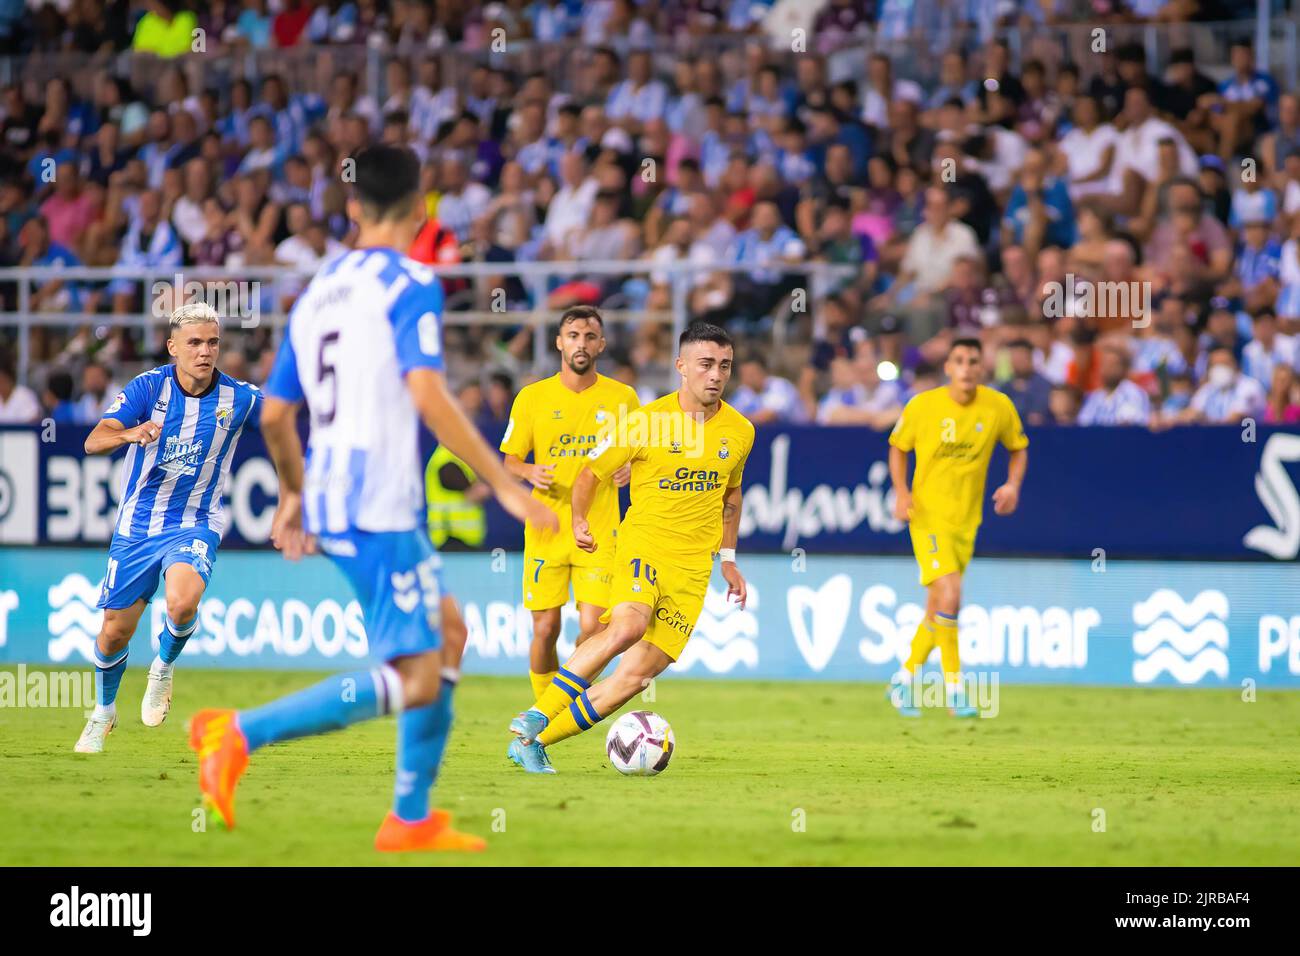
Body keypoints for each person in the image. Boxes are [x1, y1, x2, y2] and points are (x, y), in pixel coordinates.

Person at [186, 145, 557, 852]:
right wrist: (508, 488)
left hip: (335, 493)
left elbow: (273, 415)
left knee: (448, 634)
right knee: (416, 678)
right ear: (422, 210)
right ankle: (236, 735)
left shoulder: (317, 289)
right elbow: (427, 392)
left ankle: (409, 818)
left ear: (353, 208)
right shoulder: (413, 281)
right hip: (377, 503)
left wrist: (296, 492)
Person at [506, 322, 754, 773]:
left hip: (693, 569)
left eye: (724, 366)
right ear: (681, 366)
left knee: (637, 677)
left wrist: (730, 560)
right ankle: (538, 710)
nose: (715, 375)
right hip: (643, 547)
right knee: (625, 629)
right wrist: (580, 518)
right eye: (705, 364)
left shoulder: (741, 431)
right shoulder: (643, 422)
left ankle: (535, 741)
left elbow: (730, 496)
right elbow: (590, 474)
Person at [75, 303, 263, 753]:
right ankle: (103, 712)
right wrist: (129, 433)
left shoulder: (240, 398)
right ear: (172, 346)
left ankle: (161, 667)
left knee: (182, 603)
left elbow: (285, 417)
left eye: (213, 342)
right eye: (195, 343)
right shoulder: (147, 388)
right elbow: (92, 440)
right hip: (138, 527)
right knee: (114, 632)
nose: (205, 351)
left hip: (195, 522)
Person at [499, 305, 639, 700]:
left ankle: (560, 703)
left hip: (599, 528)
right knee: (545, 628)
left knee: (594, 627)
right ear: (560, 343)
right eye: (574, 336)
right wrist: (529, 472)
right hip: (546, 528)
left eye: (590, 337)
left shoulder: (623, 398)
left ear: (601, 345)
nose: (581, 343)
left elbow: (639, 454)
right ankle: (545, 703)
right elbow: (509, 460)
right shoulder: (532, 397)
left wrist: (629, 469)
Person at [887, 338, 1028, 717]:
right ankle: (955, 690)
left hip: (968, 520)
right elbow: (898, 446)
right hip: (929, 516)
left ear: (982, 369)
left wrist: (1012, 485)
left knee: (937, 606)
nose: (967, 367)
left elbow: (1018, 446)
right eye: (959, 361)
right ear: (948, 367)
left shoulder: (998, 406)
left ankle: (903, 681)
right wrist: (901, 493)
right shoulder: (923, 405)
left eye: (974, 362)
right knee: (951, 594)